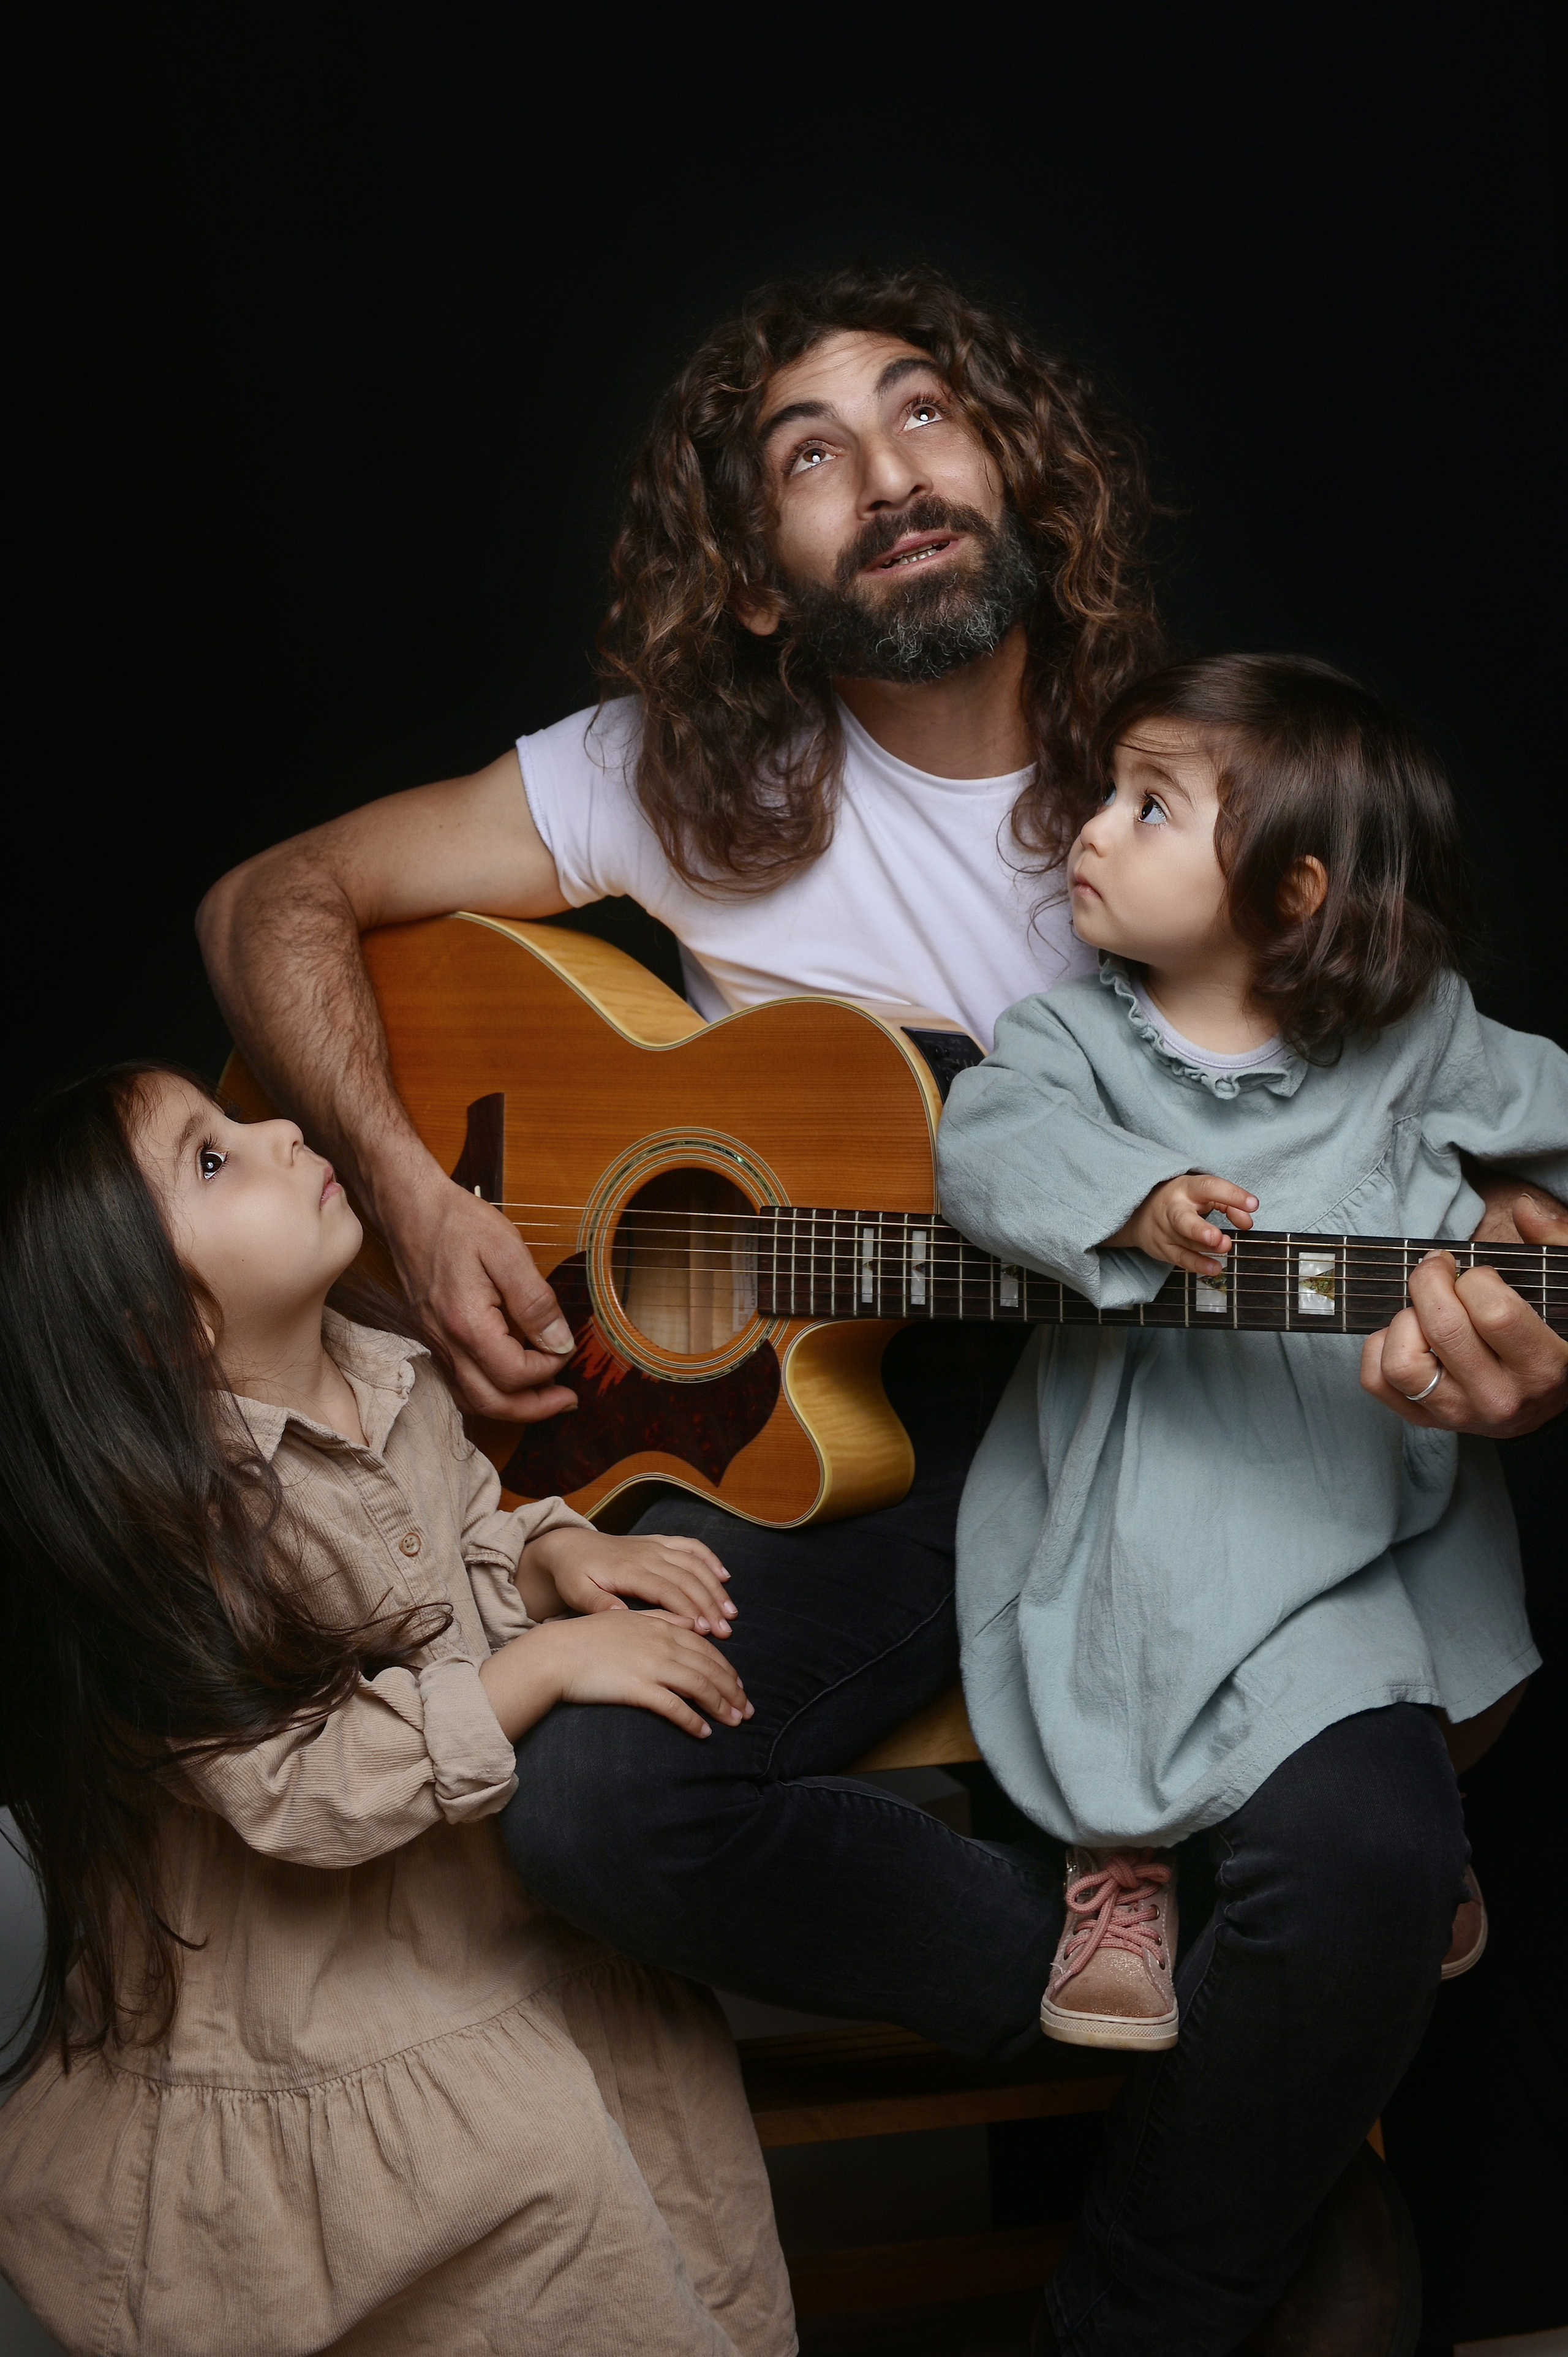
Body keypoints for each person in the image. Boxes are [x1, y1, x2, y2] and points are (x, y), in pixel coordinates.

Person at [195, 266, 1568, 2352]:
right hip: (847, 1441)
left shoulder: (1193, 782)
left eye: (924, 412)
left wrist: (1532, 1258)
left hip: (1172, 1430)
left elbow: (1447, 1094)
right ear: (755, 577)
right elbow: (262, 901)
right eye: (805, 452)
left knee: (1372, 1861)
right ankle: (1238, 2062)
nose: (886, 470)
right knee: (598, 1799)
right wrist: (409, 1183)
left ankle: (1155, 2268)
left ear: (1014, 462)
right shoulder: (665, 780)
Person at [0, 1063, 793, 2357]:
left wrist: (547, 1560)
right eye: (212, 1160)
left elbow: (456, 1535)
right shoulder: (171, 1531)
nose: (275, 1130)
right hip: (322, 1988)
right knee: (539, 2191)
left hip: (488, 1913)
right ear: (153, 1325)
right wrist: (537, 1670)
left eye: (236, 1115)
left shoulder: (391, 1372)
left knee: (671, 2150)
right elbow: (295, 1786)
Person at [936, 654, 1565, 2091]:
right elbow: (981, 1148)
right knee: (1125, 1633)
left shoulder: (1413, 1036)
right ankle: (1122, 1864)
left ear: (1291, 891)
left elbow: (1552, 1114)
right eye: (1106, 793)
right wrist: (1133, 1192)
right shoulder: (1071, 1038)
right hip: (1142, 1462)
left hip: (1346, 1474)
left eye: (1147, 808)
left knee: (1371, 1643)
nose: (1087, 829)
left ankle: (1407, 1848)